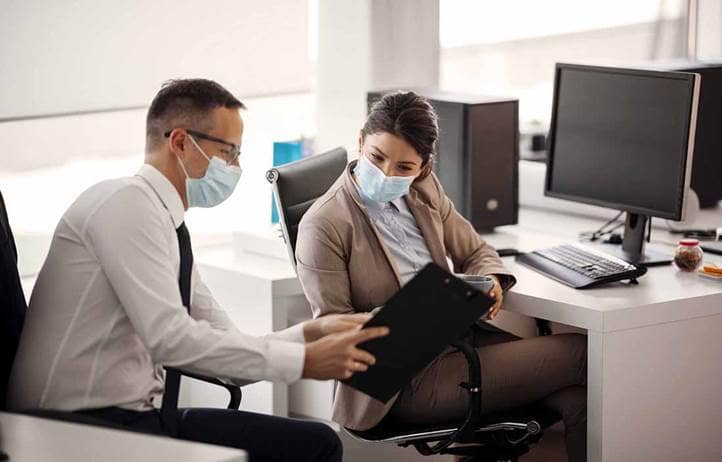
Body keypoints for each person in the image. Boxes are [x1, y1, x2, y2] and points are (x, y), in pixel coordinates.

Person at [8, 79, 389, 462]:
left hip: (140, 417)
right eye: (229, 152)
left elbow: (228, 356)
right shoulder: (126, 206)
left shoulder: (165, 226)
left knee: (316, 443)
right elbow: (170, 339)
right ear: (179, 142)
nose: (237, 167)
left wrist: (308, 334)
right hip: (71, 424)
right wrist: (304, 361)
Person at [295, 91, 588, 462]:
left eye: (404, 167)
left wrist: (490, 280)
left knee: (578, 398)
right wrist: (413, 314)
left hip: (461, 344)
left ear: (424, 167)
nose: (387, 174)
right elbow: (333, 331)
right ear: (360, 141)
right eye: (377, 157)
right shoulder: (324, 225)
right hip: (398, 380)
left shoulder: (423, 190)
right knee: (582, 354)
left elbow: (476, 251)